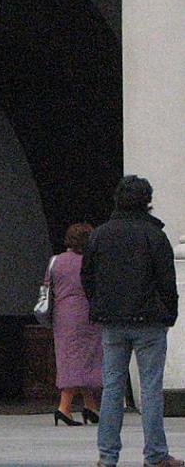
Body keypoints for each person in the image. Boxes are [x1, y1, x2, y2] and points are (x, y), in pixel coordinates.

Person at [82, 175, 181, 467]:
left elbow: (87, 276)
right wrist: (170, 312)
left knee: (112, 388)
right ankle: (155, 454)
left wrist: (98, 305)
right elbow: (166, 280)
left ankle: (107, 456)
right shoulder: (154, 235)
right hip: (149, 320)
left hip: (112, 321)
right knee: (151, 389)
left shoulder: (100, 234)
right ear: (147, 201)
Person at [48, 222, 102, 426]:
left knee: (69, 357)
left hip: (62, 316)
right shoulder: (92, 261)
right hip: (87, 313)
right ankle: (64, 407)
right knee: (87, 358)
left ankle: (90, 406)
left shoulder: (56, 261)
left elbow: (48, 286)